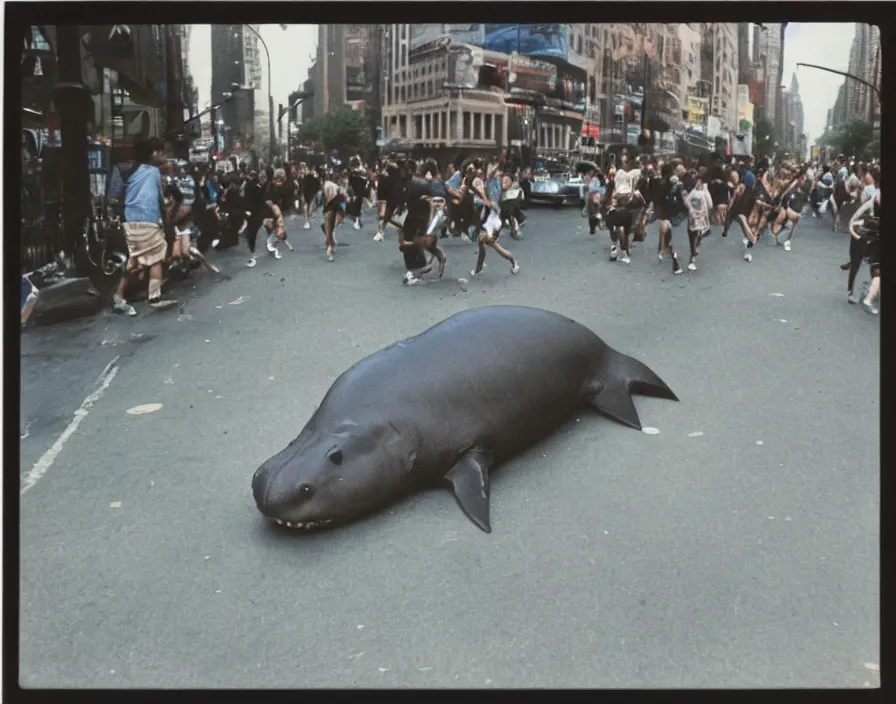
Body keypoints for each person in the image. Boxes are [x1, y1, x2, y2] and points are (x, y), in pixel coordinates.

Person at [109, 138, 177, 313]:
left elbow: (113, 198)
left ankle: (119, 295)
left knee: (136, 260)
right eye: (160, 151)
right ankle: (154, 297)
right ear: (152, 153)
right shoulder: (154, 173)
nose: (162, 155)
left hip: (130, 221)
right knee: (156, 257)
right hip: (148, 220)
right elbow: (161, 202)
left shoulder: (123, 168)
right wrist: (166, 222)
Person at [683, 170, 713, 272]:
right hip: (701, 218)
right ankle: (693, 255)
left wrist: (691, 209)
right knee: (697, 235)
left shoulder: (692, 191)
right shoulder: (704, 192)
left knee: (692, 235)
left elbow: (687, 200)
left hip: (693, 217)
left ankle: (692, 257)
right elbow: (710, 205)